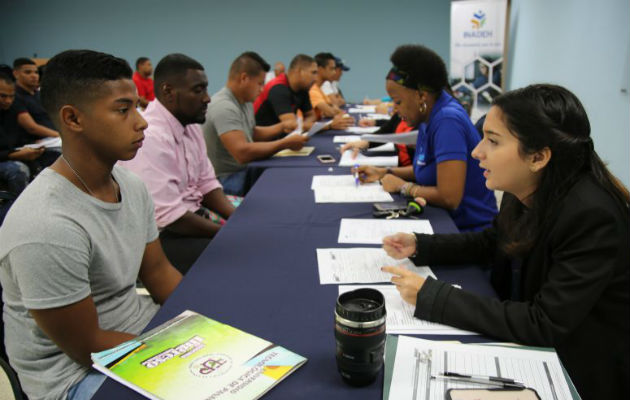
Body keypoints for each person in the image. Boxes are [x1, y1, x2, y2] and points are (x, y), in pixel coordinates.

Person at [381, 84, 629, 400]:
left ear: (538, 157)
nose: (476, 151)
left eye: (493, 141)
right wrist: (422, 245)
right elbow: (491, 242)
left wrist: (434, 297)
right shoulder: (522, 189)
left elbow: (543, 323)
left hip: (582, 370)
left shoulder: (592, 216)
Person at [0, 49, 183, 400]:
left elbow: (159, 272)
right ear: (73, 119)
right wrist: (186, 346)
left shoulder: (130, 185)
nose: (142, 121)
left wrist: (206, 320)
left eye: (138, 106)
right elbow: (87, 346)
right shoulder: (45, 225)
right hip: (76, 375)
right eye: (122, 109)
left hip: (139, 333)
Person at [355, 45, 497, 232]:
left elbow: (450, 197)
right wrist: (384, 172)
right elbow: (428, 169)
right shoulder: (428, 116)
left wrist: (404, 188)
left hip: (467, 231)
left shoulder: (447, 121)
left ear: (421, 95)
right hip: (447, 219)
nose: (394, 110)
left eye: (398, 102)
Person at [120, 53, 237, 273]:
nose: (207, 98)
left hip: (191, 217)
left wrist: (236, 219)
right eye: (198, 90)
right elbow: (171, 218)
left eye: (205, 88)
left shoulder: (190, 124)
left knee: (255, 223)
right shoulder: (150, 137)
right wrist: (227, 233)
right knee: (238, 256)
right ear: (168, 92)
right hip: (163, 237)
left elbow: (207, 183)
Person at [203, 52, 309, 196]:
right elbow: (242, 153)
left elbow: (252, 133)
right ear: (244, 78)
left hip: (244, 170)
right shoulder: (224, 106)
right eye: (260, 83)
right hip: (226, 181)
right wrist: (285, 143)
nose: (262, 89)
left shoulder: (245, 101)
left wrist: (281, 127)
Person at [254, 54, 318, 131]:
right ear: (300, 71)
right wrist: (328, 126)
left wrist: (303, 126)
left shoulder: (302, 88)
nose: (316, 78)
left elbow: (311, 116)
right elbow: (293, 126)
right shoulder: (278, 88)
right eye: (313, 73)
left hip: (281, 137)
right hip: (262, 140)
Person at [0, 72, 39, 195]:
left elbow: (13, 140)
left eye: (12, 96)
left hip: (11, 154)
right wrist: (13, 155)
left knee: (52, 157)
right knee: (18, 170)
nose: (8, 101)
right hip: (6, 159)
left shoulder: (11, 111)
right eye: (3, 96)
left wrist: (33, 145)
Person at [12, 58, 59, 141]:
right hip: (37, 142)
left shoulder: (39, 94)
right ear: (16, 74)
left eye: (36, 72)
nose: (34, 76)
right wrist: (59, 135)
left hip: (54, 138)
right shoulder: (14, 96)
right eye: (28, 72)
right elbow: (31, 128)